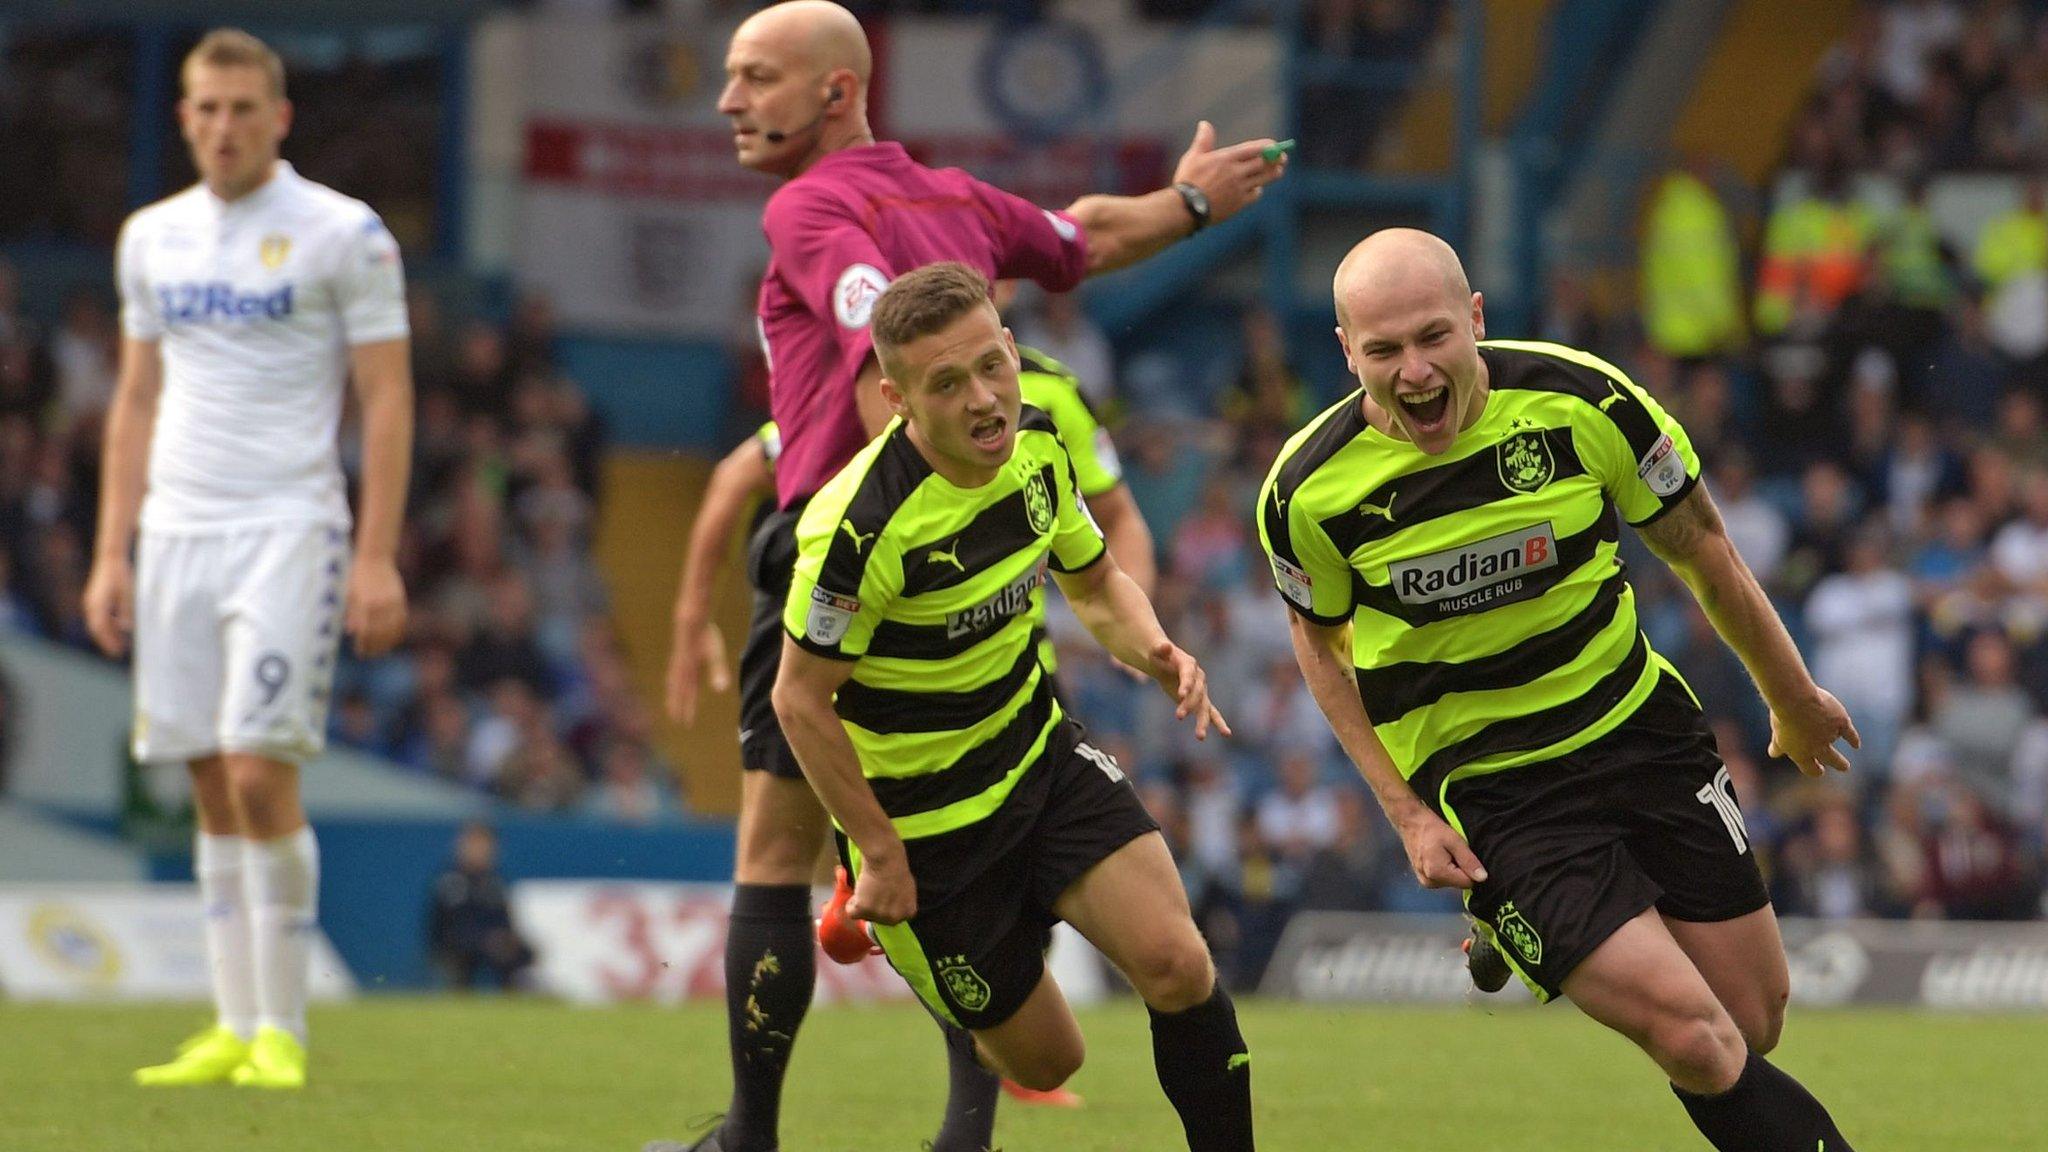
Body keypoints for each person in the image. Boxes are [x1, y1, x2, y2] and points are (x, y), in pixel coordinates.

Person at [656, 4, 1283, 1150]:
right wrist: (1188, 205)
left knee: (776, 853)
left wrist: (888, 501)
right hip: (983, 538)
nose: (729, 101)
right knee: (979, 781)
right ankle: (964, 1123)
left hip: (853, 556)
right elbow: (1081, 237)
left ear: (836, 90)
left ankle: (747, 1138)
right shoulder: (955, 202)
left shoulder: (806, 207)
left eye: (754, 78)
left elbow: (864, 345)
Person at [1257, 228, 1861, 1151]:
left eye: (1433, 338)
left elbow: (1702, 545)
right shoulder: (1305, 491)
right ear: (1347, 351)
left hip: (1640, 731)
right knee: (1696, 1039)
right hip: (1497, 789)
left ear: (1476, 319)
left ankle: (1526, 927)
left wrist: (1792, 696)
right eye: (1382, 351)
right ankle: (1526, 903)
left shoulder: (1586, 400)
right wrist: (1408, 815)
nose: (1415, 373)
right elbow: (1320, 647)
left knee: (1755, 1019)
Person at [774, 263, 1251, 1152]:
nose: (986, 398)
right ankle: (867, 895)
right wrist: (876, 849)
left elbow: (1097, 578)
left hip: (1036, 758)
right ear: (898, 398)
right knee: (1047, 1063)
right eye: (947, 384)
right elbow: (799, 701)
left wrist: (1155, 649)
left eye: (994, 364)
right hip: (924, 832)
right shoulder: (860, 529)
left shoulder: (1037, 442)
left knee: (1178, 965)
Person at [83, 28, 413, 1090]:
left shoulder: (343, 234)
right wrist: (109, 553)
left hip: (287, 528)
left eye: (241, 108)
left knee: (260, 769)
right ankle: (230, 1022)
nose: (222, 127)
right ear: (182, 117)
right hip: (174, 531)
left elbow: (388, 396)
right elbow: (134, 400)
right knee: (205, 782)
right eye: (204, 109)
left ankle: (283, 1029)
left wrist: (375, 557)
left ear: (280, 117)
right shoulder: (151, 238)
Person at [426, 822, 536, 990]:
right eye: (475, 845)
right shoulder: (451, 880)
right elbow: (452, 924)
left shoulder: (495, 881)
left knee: (521, 952)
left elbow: (504, 919)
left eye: (485, 846)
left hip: (491, 941)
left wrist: (507, 937)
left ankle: (514, 998)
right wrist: (487, 939)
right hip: (456, 942)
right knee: (466, 954)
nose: (480, 851)